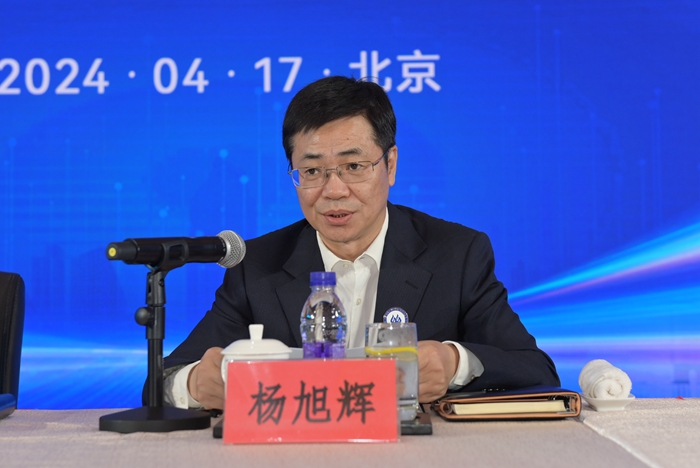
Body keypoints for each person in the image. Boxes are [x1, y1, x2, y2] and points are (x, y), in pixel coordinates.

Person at [160, 76, 559, 410]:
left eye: (353, 166)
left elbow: (535, 370)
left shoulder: (456, 254)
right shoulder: (258, 265)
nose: (333, 190)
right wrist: (195, 384)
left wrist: (455, 362)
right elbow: (163, 380)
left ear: (390, 165)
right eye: (312, 171)